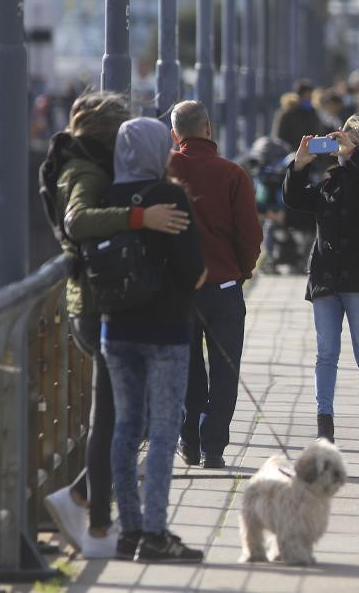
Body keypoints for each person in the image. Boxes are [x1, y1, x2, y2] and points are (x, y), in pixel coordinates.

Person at [41, 93, 190, 558]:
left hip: (107, 302)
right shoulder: (84, 170)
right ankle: (99, 524)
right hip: (95, 303)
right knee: (113, 419)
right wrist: (139, 216)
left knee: (124, 416)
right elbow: (78, 219)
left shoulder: (92, 164)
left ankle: (90, 503)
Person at [103, 118, 207, 562]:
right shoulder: (170, 196)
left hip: (117, 327)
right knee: (164, 429)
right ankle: (155, 532)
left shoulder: (108, 199)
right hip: (166, 329)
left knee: (126, 427)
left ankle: (127, 529)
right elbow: (194, 270)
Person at [283, 117, 359, 452]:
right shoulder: (330, 181)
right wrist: (299, 165)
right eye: (339, 145)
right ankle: (324, 428)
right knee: (326, 353)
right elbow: (294, 202)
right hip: (327, 276)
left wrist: (355, 154)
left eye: (349, 144)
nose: (341, 150)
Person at [168, 101, 263, 469]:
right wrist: (242, 270)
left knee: (187, 367)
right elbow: (250, 234)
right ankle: (214, 448)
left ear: (176, 134)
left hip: (179, 292)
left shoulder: (166, 170)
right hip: (224, 288)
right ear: (208, 128)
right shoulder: (233, 174)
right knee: (225, 370)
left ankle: (187, 440)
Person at [273, 79, 325, 151]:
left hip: (312, 155)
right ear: (299, 95)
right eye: (306, 95)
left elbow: (318, 134)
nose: (309, 98)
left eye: (310, 95)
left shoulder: (313, 113)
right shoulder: (288, 113)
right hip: (292, 156)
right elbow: (280, 139)